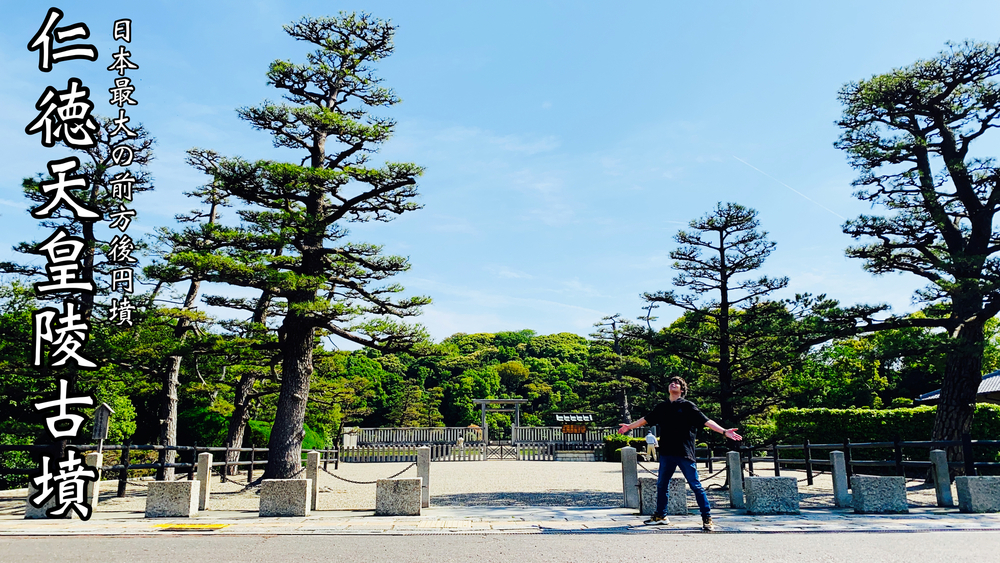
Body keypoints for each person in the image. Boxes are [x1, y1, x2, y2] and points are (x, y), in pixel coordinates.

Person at [618, 376, 742, 531]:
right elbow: (645, 419)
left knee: (695, 485)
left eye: (677, 383)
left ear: (682, 390)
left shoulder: (688, 406)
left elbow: (706, 421)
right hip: (666, 452)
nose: (673, 384)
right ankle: (661, 516)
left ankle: (707, 517)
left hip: (684, 452)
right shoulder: (662, 407)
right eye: (671, 382)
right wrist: (629, 427)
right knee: (662, 484)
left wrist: (724, 431)